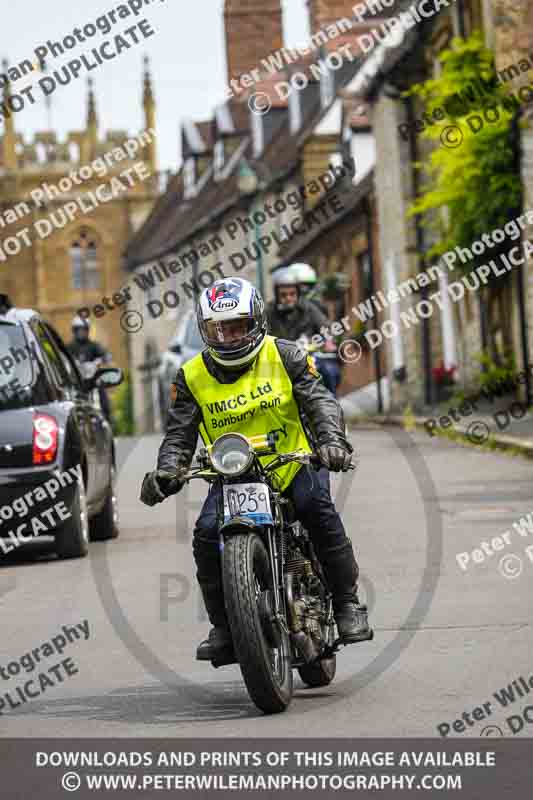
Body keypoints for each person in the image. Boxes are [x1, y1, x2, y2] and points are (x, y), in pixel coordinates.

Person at [139, 277, 372, 663]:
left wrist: (332, 442)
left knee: (316, 508)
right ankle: (226, 628)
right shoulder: (191, 375)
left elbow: (320, 403)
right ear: (205, 330)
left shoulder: (287, 355)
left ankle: (347, 603)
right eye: (219, 329)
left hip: (292, 463)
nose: (229, 337)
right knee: (205, 534)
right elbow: (179, 435)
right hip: (233, 475)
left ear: (257, 322)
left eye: (238, 326)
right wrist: (167, 472)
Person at [67, 315, 113, 423]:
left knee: (103, 395)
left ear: (87, 330)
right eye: (79, 330)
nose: (81, 332)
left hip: (92, 378)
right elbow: (63, 357)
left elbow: (105, 353)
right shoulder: (70, 347)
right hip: (77, 380)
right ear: (74, 331)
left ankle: (107, 420)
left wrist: (104, 358)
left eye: (84, 329)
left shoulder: (93, 345)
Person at [266, 266, 328, 342]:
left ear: (298, 293)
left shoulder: (308, 308)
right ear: (277, 295)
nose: (288, 298)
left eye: (292, 294)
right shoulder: (269, 312)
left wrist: (310, 340)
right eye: (283, 295)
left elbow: (326, 328)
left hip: (306, 351)